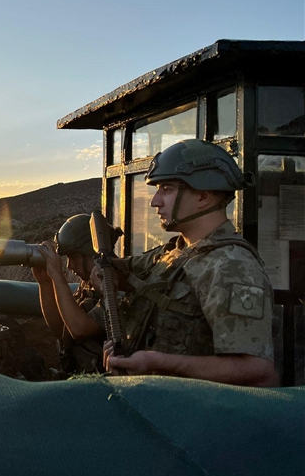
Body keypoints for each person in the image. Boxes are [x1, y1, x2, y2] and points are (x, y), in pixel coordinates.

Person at [99, 139, 278, 387]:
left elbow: (258, 372)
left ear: (203, 196)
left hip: (193, 418)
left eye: (167, 189)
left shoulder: (231, 266)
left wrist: (156, 363)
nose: (155, 201)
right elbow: (119, 271)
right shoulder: (175, 252)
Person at [32, 214, 121, 375]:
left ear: (90, 253)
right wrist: (45, 283)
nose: (69, 265)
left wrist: (58, 277)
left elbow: (80, 329)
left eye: (73, 257)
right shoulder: (88, 285)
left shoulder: (117, 284)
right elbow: (60, 329)